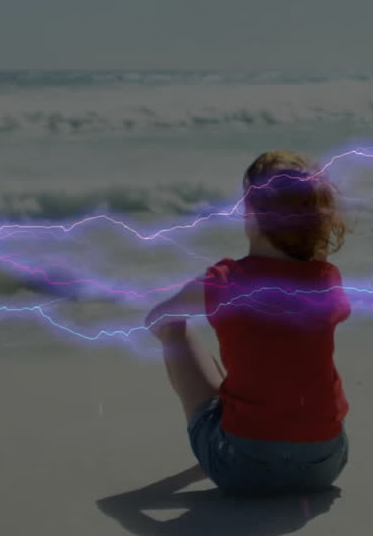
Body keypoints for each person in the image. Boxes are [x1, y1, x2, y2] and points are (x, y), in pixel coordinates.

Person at [144, 150, 353, 496]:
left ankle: (221, 434)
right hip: (324, 464)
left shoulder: (225, 281)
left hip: (243, 467)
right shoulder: (326, 281)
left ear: (252, 216)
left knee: (174, 327)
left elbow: (158, 317)